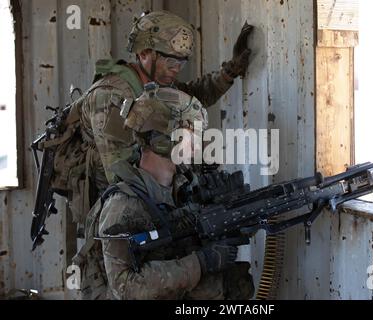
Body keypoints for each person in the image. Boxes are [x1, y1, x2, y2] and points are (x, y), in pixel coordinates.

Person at [74, 86, 254, 300]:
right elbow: (125, 287)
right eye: (192, 137)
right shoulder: (123, 205)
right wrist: (200, 262)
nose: (197, 147)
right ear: (165, 141)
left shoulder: (180, 187)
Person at [78, 10, 254, 214]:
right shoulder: (109, 97)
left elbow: (191, 96)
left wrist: (230, 71)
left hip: (150, 202)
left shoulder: (154, 84)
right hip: (115, 213)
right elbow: (120, 174)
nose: (177, 69)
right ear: (144, 53)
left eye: (182, 62)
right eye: (171, 62)